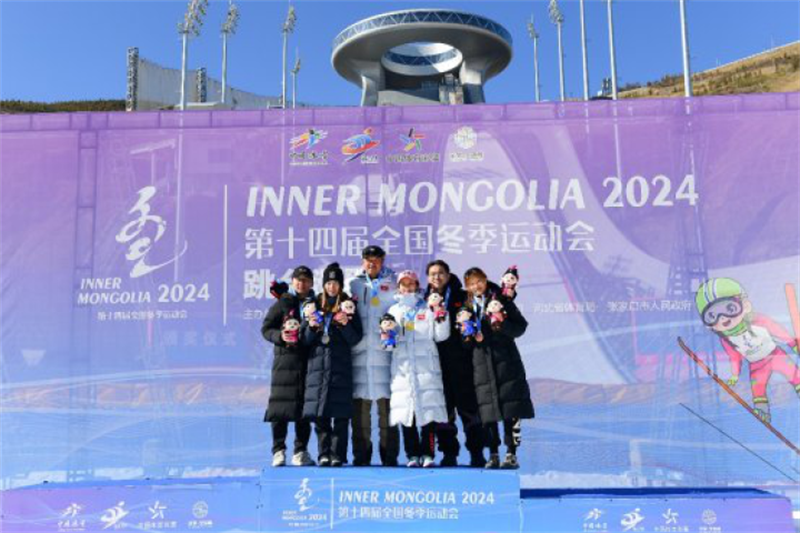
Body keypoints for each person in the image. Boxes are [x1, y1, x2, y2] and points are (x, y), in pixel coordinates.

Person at [696, 278, 800, 423]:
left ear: (744, 305)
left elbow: (778, 331)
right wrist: (735, 374)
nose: (723, 318)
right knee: (757, 387)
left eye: (730, 309)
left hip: (775, 355)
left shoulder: (758, 321)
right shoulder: (726, 339)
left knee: (794, 374)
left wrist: (794, 345)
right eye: (712, 316)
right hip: (757, 364)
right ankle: (762, 410)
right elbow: (735, 357)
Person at [462, 267, 534, 469]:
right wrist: (469, 338)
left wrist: (502, 325)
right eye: (471, 283)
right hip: (482, 363)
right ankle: (493, 454)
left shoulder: (502, 299)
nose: (477, 286)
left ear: (486, 280)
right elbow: (463, 342)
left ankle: (511, 454)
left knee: (511, 409)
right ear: (467, 287)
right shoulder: (467, 307)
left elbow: (520, 327)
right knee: (488, 411)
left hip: (506, 361)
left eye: (479, 281)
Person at [424, 260, 485, 467]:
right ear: (428, 278)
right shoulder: (423, 300)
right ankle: (449, 453)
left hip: (463, 363)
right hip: (436, 365)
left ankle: (477, 453)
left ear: (448, 275)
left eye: (441, 272)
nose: (437, 277)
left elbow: (474, 320)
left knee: (470, 410)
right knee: (444, 413)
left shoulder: (462, 296)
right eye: (433, 273)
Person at [301, 262, 363, 467]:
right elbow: (304, 339)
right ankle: (323, 453)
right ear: (323, 285)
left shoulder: (348, 306)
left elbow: (355, 338)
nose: (332, 287)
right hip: (317, 367)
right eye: (328, 283)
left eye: (336, 283)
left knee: (341, 415)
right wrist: (312, 327)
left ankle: (337, 454)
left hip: (340, 367)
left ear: (341, 285)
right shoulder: (314, 305)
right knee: (321, 414)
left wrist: (345, 325)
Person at [386, 270, 450, 468]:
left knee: (428, 414)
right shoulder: (393, 310)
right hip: (403, 369)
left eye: (411, 283)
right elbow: (388, 343)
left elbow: (441, 336)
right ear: (399, 287)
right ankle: (412, 454)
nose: (407, 287)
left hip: (426, 368)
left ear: (417, 285)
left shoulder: (427, 307)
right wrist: (387, 336)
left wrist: (441, 315)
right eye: (403, 284)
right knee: (407, 415)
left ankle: (428, 454)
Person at [348, 245, 400, 466]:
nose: (372, 263)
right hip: (359, 357)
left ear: (383, 261)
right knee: (360, 414)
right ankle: (361, 456)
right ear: (362, 261)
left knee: (388, 413)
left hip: (386, 357)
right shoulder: (352, 284)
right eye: (368, 259)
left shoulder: (394, 282)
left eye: (377, 259)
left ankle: (389, 456)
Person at [261, 266, 316, 467]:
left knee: (304, 410)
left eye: (306, 280)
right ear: (293, 282)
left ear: (311, 283)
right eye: (298, 280)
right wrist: (280, 336)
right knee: (279, 408)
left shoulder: (315, 304)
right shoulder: (283, 302)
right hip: (284, 363)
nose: (302, 283)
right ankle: (278, 451)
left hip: (308, 362)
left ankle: (300, 451)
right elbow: (266, 329)